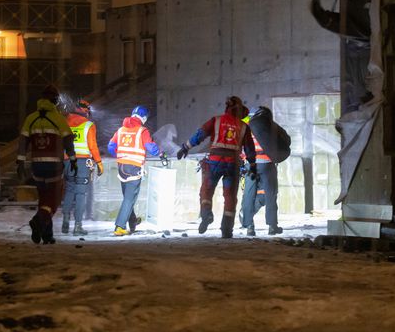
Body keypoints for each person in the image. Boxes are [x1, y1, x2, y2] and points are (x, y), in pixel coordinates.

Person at [177, 95, 256, 239]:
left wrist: (185, 147)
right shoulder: (243, 126)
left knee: (206, 190)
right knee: (230, 197)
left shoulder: (216, 120)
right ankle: (226, 230)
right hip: (232, 164)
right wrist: (253, 165)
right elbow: (249, 148)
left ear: (226, 107)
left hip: (214, 162)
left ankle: (206, 213)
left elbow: (200, 135)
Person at [17, 85, 77, 244]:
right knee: (54, 200)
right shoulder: (58, 119)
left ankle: (46, 234)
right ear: (55, 100)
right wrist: (72, 159)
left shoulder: (31, 118)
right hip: (54, 166)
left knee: (43, 199)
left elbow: (23, 141)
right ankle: (38, 221)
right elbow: (68, 140)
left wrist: (20, 161)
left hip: (36, 166)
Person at [108, 106, 160, 236]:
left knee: (127, 197)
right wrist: (159, 150)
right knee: (129, 199)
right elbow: (151, 148)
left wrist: (121, 156)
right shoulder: (142, 131)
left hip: (121, 167)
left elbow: (111, 147)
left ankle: (132, 221)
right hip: (134, 168)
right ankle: (119, 226)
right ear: (143, 117)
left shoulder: (120, 130)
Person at [61, 99, 104, 236]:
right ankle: (77, 226)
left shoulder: (65, 123)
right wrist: (98, 162)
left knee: (69, 190)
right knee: (80, 193)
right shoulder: (88, 125)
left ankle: (65, 220)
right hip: (82, 162)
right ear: (85, 110)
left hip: (68, 161)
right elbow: (93, 146)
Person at [240, 107, 283, 236]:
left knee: (248, 195)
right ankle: (272, 226)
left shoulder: (244, 125)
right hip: (267, 164)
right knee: (271, 195)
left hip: (250, 165)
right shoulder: (269, 125)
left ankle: (249, 227)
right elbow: (282, 141)